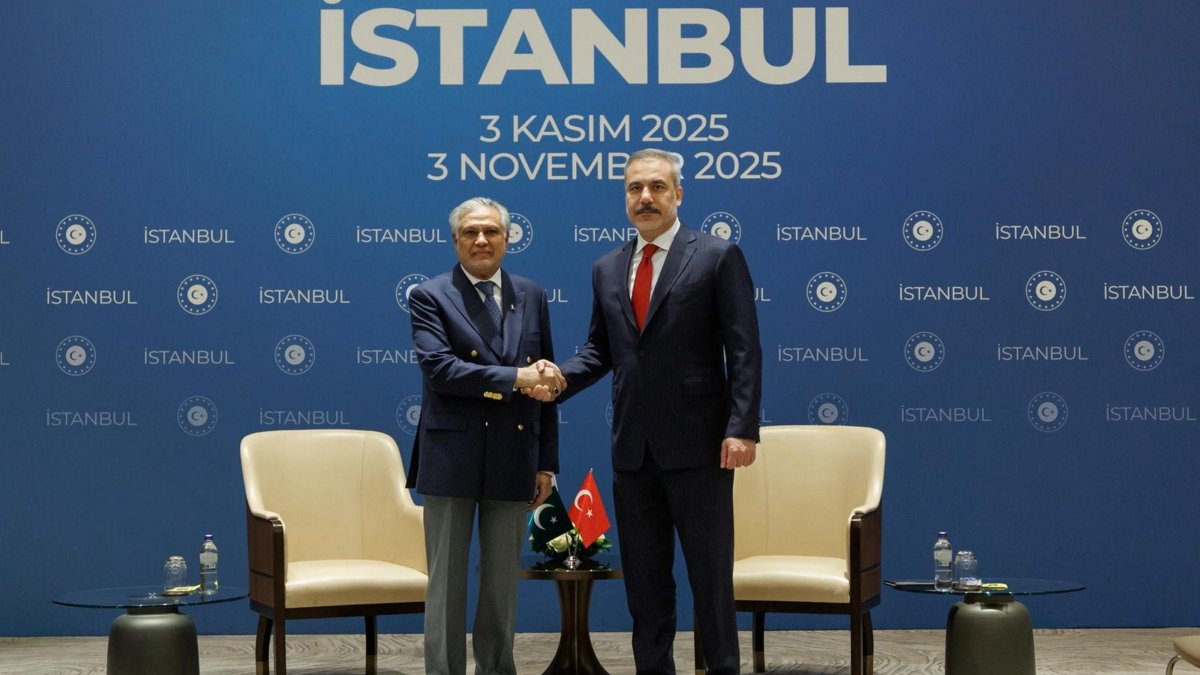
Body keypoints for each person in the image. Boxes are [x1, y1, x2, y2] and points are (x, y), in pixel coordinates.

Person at [555, 149, 762, 674]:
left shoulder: (717, 255)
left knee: (710, 580)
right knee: (646, 585)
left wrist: (741, 428)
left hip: (701, 447)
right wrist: (555, 380)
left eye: (656, 187)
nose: (644, 198)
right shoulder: (606, 267)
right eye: (634, 189)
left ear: (678, 194)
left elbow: (744, 350)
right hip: (633, 451)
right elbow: (601, 350)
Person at [407, 196, 566, 675]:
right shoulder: (429, 295)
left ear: (507, 239)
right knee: (447, 585)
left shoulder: (533, 295)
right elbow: (441, 371)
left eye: (492, 232)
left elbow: (548, 383)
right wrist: (516, 378)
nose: (482, 240)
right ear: (455, 240)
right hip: (451, 456)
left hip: (514, 454)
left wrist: (546, 463)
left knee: (501, 586)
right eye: (471, 232)